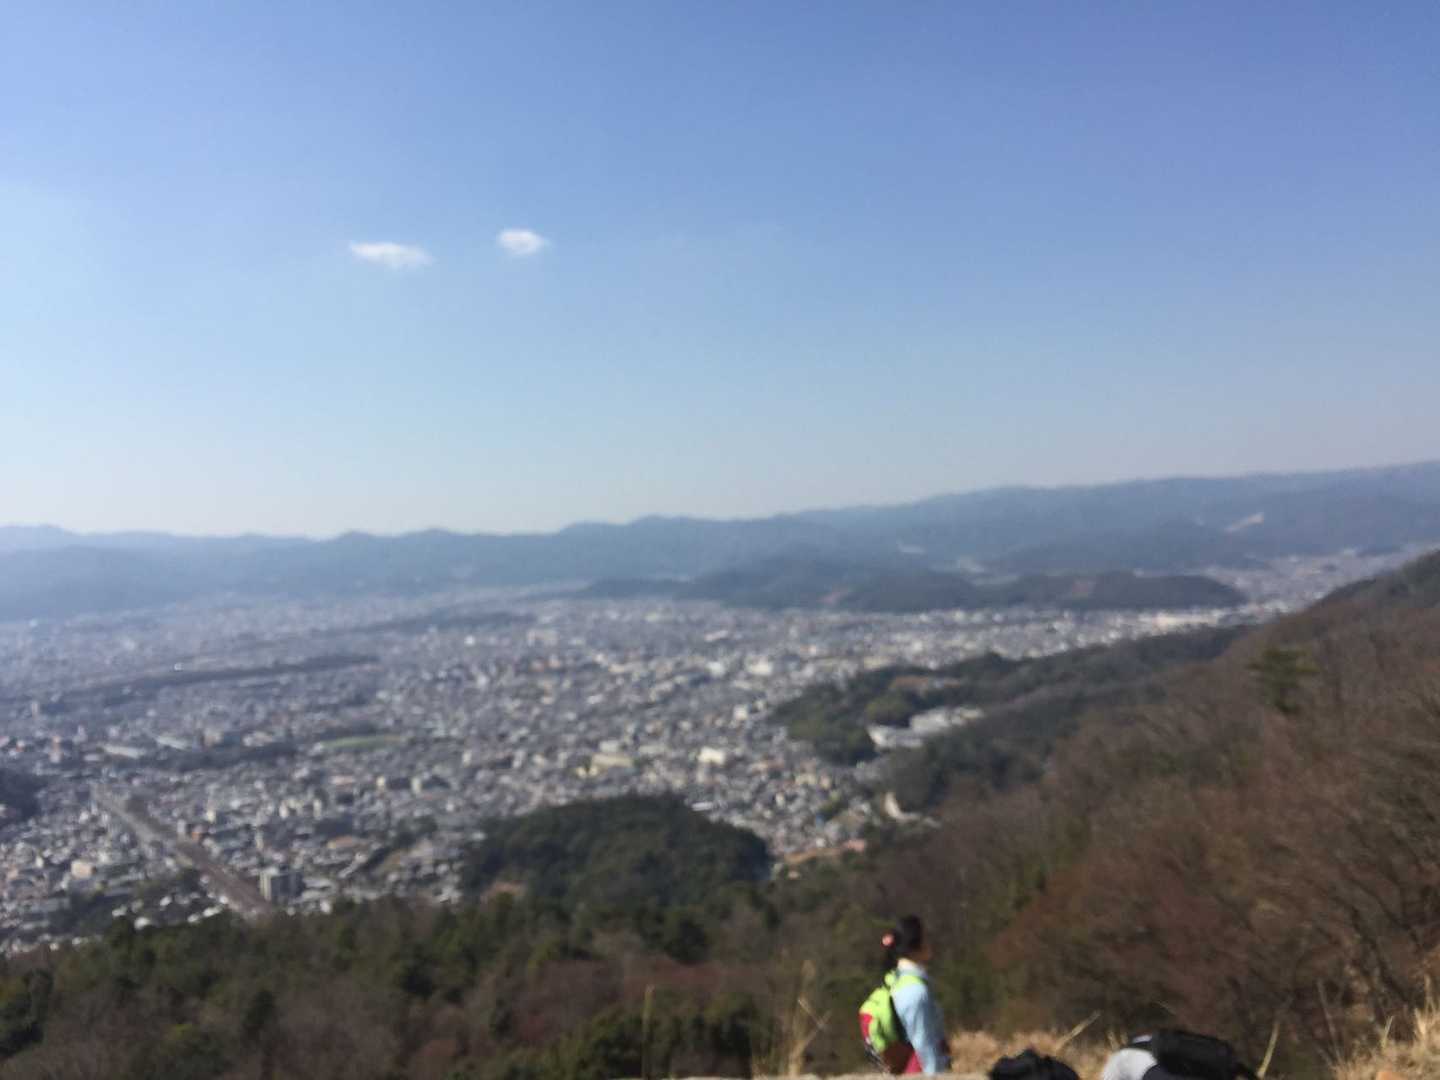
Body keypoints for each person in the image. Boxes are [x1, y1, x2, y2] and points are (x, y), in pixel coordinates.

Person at [883, 915, 951, 1075]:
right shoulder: (915, 990)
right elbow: (924, 1043)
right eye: (926, 937)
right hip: (918, 1072)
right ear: (915, 945)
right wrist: (936, 1075)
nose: (930, 942)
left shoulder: (895, 979)